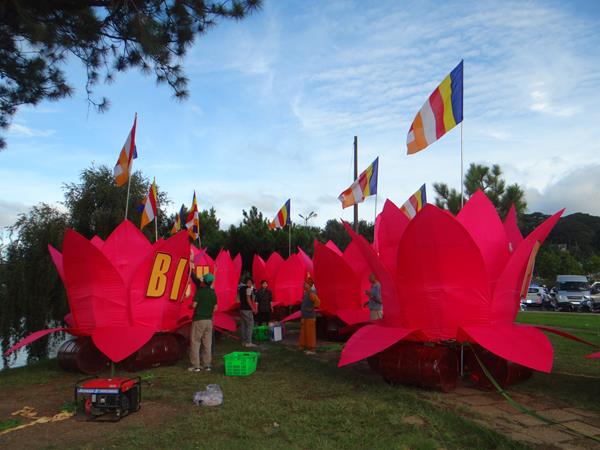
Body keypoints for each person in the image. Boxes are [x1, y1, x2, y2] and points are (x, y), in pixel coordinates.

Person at [188, 271, 217, 372]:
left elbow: (194, 305)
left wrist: (190, 306)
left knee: (195, 342)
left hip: (198, 320)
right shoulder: (213, 293)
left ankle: (196, 365)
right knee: (207, 343)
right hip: (209, 321)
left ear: (204, 282)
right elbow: (215, 308)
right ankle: (207, 365)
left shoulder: (200, 292)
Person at [299, 276, 319, 355]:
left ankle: (312, 349)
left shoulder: (311, 293)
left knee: (310, 333)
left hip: (310, 317)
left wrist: (311, 308)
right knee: (305, 333)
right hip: (304, 316)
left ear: (309, 285)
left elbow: (317, 302)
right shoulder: (306, 293)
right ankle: (306, 346)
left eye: (305, 284)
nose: (304, 285)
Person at [238, 277, 257, 347]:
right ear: (246, 283)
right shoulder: (248, 289)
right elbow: (248, 299)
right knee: (250, 325)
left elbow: (239, 298)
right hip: (247, 309)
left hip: (241, 309)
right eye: (249, 282)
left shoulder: (241, 289)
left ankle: (243, 341)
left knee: (243, 325)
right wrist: (253, 308)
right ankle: (248, 342)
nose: (250, 284)